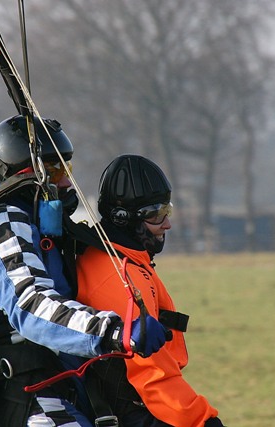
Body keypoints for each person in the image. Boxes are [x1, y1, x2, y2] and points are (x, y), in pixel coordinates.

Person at [0, 117, 168, 426]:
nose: (66, 183)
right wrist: (114, 331)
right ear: (24, 174)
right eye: (56, 171)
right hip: (30, 398)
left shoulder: (33, 220)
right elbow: (30, 304)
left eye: (67, 169)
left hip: (64, 384)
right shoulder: (3, 222)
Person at [76, 154, 225, 427]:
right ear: (125, 219)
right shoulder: (119, 276)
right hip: (137, 409)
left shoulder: (123, 257)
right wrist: (202, 421)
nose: (167, 223)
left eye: (168, 211)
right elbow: (153, 377)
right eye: (156, 215)